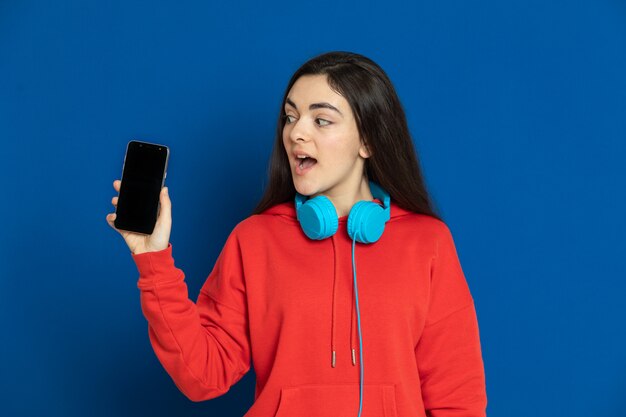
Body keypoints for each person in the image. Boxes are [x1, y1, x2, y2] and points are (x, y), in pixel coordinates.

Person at [106, 51, 487, 417]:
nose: (296, 133)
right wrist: (152, 260)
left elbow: (459, 399)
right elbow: (203, 375)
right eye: (291, 117)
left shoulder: (427, 243)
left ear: (368, 141)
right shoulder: (255, 239)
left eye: (321, 120)